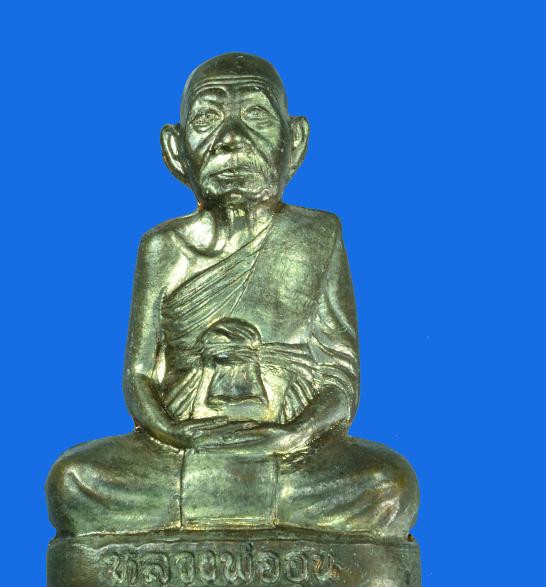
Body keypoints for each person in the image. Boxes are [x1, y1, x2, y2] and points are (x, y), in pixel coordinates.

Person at [46, 52, 419, 540]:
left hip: (287, 453)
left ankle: (229, 510)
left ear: (295, 141)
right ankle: (240, 513)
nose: (232, 139)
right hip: (183, 449)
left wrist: (291, 435)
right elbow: (139, 375)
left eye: (257, 116)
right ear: (176, 149)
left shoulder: (318, 236)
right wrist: (175, 433)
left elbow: (339, 375)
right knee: (73, 482)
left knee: (389, 488)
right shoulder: (163, 248)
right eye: (208, 119)